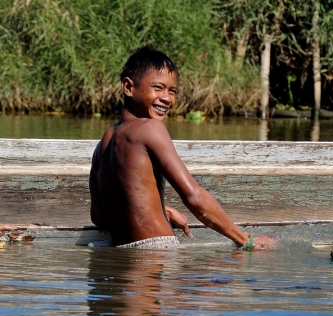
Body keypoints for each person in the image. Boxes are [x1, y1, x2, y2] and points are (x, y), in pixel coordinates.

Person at [89, 46, 272, 250]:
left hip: (123, 259)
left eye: (172, 90)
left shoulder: (103, 144)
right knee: (231, 277)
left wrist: (159, 210)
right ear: (128, 87)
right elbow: (194, 198)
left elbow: (99, 216)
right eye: (158, 88)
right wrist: (246, 240)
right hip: (158, 253)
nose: (167, 98)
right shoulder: (150, 128)